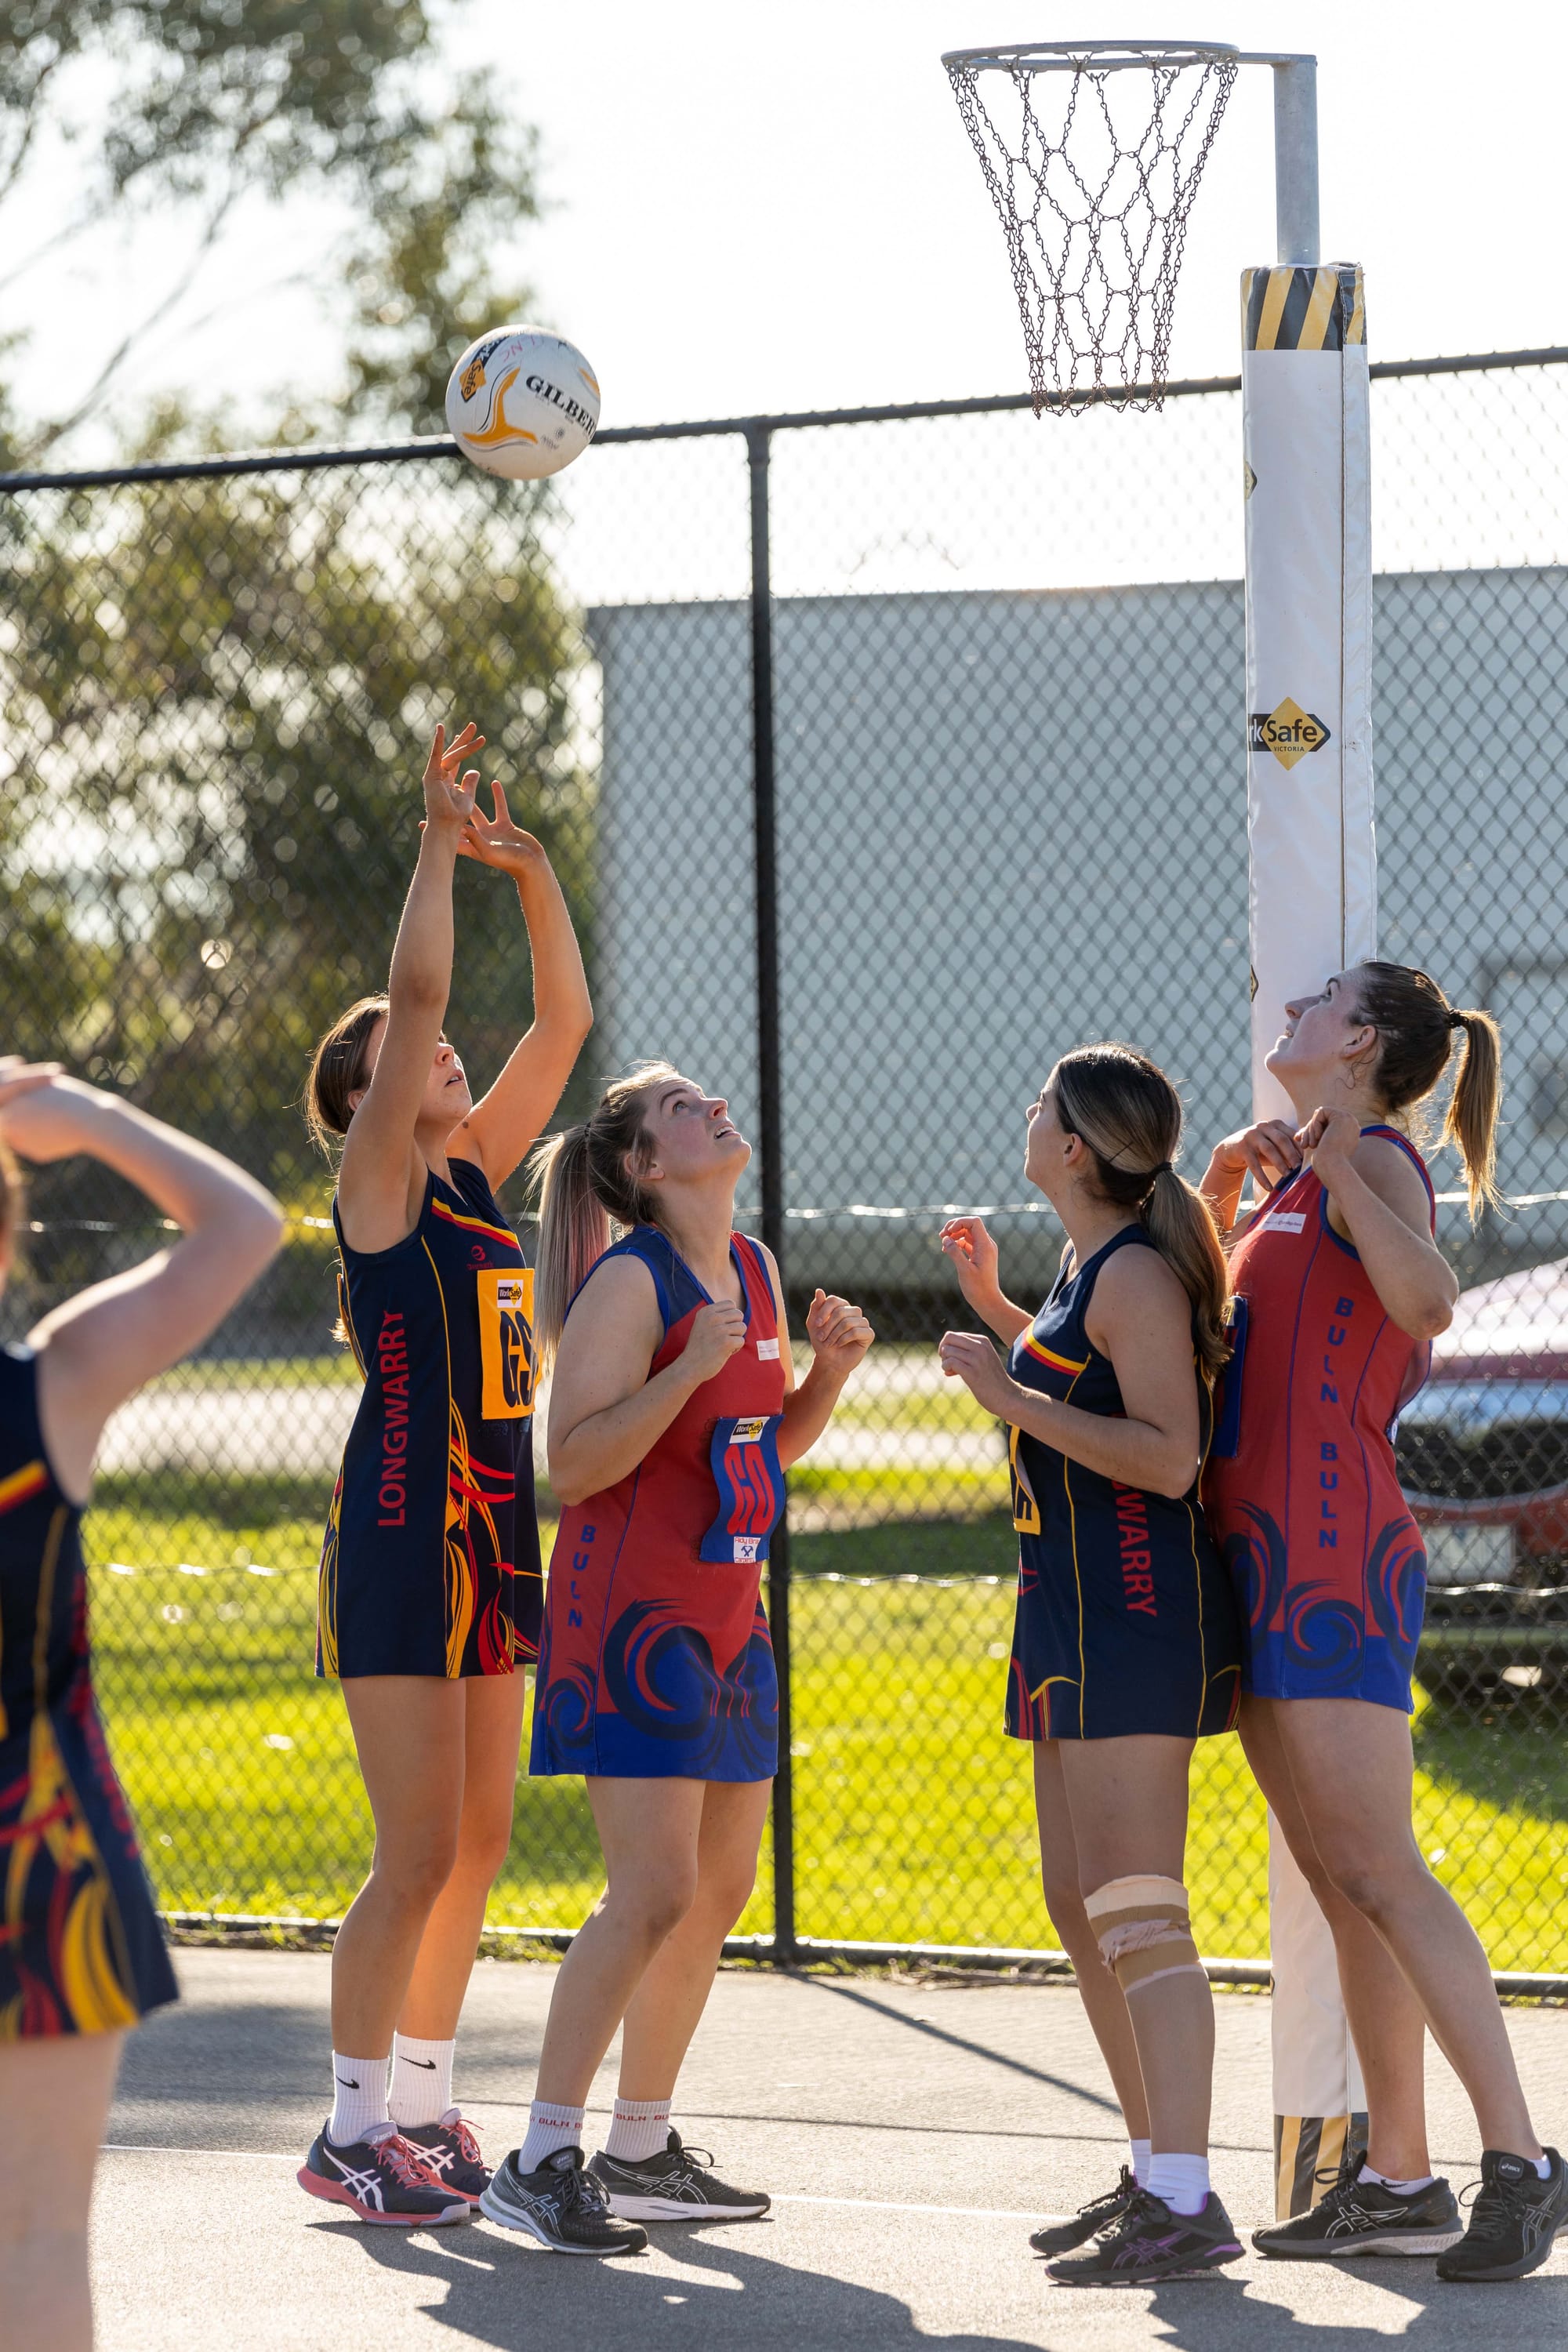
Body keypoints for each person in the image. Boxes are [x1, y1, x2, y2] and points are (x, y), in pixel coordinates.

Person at [1202, 961, 1564, 2282]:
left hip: (1337, 1556)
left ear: (1357, 1043)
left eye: (1316, 1004)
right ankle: (1399, 2178)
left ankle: (1521, 2163)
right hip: (1265, 1559)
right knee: (1343, 1879)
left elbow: (1426, 1303)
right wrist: (1231, 1197)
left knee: (1383, 1870)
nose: (1289, 1009)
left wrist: (1342, 1173)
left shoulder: (1374, 1159)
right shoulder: (1303, 1168)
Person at [478, 1065, 873, 2254]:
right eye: (682, 1110)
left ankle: (639, 2147)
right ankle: (539, 2157)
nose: (712, 1110)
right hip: (629, 1623)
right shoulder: (628, 1282)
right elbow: (577, 1464)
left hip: (728, 1624)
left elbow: (760, 1445)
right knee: (649, 1891)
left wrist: (829, 1379)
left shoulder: (748, 1270)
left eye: (710, 1099)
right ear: (645, 1169)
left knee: (716, 1892)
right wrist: (686, 1368)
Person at [297, 720, 591, 2224]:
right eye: (392, 1055)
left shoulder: (473, 1167)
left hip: (494, 1529)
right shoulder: (382, 1181)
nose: (429, 1045)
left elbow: (562, 1023)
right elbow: (418, 991)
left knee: (479, 1840)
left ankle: (419, 2104)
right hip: (408, 1530)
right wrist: (430, 840)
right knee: (411, 1851)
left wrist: (530, 868)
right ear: (359, 1097)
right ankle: (345, 2132)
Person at [938, 1044, 1245, 2286]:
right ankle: (1149, 2165)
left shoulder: (1136, 1277)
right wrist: (1005, 1315)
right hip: (1063, 1613)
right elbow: (1083, 1379)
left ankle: (1187, 2196)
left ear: (1075, 1148)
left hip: (1131, 1610)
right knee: (1079, 1908)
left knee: (1136, 1910)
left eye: (1043, 1108)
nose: (1027, 1115)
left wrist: (1011, 1399)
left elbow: (1168, 1455)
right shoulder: (1083, 1264)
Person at [0, 1059, 283, 2349]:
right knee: (40, 2235)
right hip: (38, 1856)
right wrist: (89, 1120)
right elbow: (245, 1228)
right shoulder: (49, 1385)